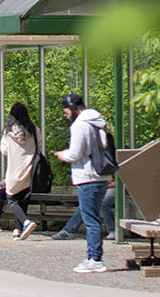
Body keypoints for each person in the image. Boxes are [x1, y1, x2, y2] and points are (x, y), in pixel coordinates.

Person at [54, 93, 110, 273]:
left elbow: (76, 153)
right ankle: (94, 257)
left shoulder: (80, 125)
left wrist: (63, 155)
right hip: (100, 175)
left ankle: (94, 259)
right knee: (92, 216)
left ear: (72, 108)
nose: (66, 115)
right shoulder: (98, 122)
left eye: (66, 112)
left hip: (87, 176)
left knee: (90, 219)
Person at [0, 102, 41, 240]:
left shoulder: (8, 132)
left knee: (12, 200)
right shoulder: (34, 130)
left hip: (14, 171)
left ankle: (26, 222)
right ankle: (17, 231)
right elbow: (39, 146)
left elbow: (3, 150)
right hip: (29, 170)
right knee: (23, 200)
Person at [49, 177, 115, 240]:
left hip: (119, 187)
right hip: (103, 186)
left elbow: (119, 182)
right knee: (85, 203)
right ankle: (68, 231)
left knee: (103, 203)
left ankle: (113, 230)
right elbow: (108, 177)